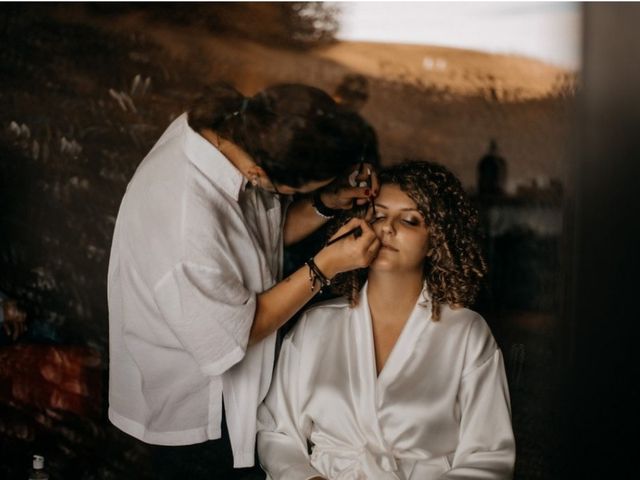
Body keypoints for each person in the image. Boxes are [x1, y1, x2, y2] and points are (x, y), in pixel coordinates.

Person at [107, 82, 381, 479]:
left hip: (246, 387)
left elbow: (252, 241)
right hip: (199, 409)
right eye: (302, 190)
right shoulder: (183, 218)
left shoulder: (230, 131)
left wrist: (326, 201)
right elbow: (240, 329)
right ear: (259, 173)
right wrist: (325, 267)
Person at [258, 161, 515, 479]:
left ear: (437, 240)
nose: (387, 228)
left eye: (409, 220)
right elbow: (276, 433)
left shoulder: (467, 333)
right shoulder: (314, 325)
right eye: (378, 215)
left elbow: (488, 457)